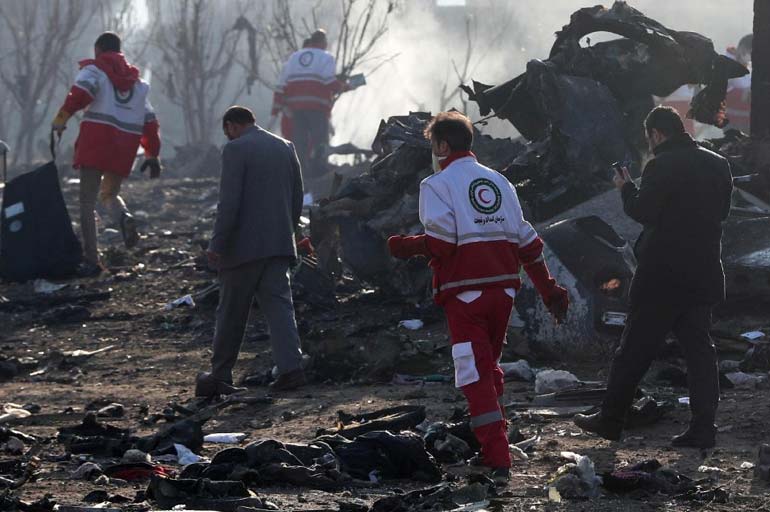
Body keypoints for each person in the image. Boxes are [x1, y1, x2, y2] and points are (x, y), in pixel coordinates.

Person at [387, 112, 569, 483]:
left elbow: (441, 242)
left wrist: (402, 246)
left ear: (442, 145)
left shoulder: (437, 185)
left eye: (432, 146)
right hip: (503, 292)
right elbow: (529, 245)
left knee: (473, 374)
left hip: (465, 296)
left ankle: (497, 457)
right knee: (488, 369)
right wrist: (550, 291)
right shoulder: (499, 182)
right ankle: (492, 443)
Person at [574, 106, 733, 448]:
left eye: (649, 138)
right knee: (700, 354)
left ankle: (611, 420)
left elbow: (642, 211)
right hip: (703, 274)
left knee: (633, 351)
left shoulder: (661, 164)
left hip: (662, 277)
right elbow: (722, 212)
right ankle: (704, 429)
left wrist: (626, 187)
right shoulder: (718, 164)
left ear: (657, 134)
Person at [195, 106, 306, 397]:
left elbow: (229, 203)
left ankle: (220, 375)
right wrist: (288, 233)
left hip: (242, 249)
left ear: (231, 126)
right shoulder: (285, 146)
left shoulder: (236, 150)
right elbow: (297, 197)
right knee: (281, 309)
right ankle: (291, 369)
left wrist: (217, 244)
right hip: (279, 245)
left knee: (231, 313)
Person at [51, 31, 161, 276]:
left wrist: (60, 120)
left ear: (99, 50)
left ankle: (92, 259)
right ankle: (124, 216)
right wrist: (152, 155)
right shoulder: (139, 85)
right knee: (109, 194)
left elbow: (78, 96)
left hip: (96, 145)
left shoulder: (94, 71)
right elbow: (151, 123)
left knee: (86, 202)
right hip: (123, 150)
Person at [270, 29, 350, 186]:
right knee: (320, 139)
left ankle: (301, 173)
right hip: (317, 107)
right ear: (323, 42)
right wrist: (344, 87)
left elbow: (282, 85)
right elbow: (329, 82)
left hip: (296, 109)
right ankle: (318, 169)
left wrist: (276, 110)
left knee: (299, 141)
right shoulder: (326, 57)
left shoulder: (294, 58)